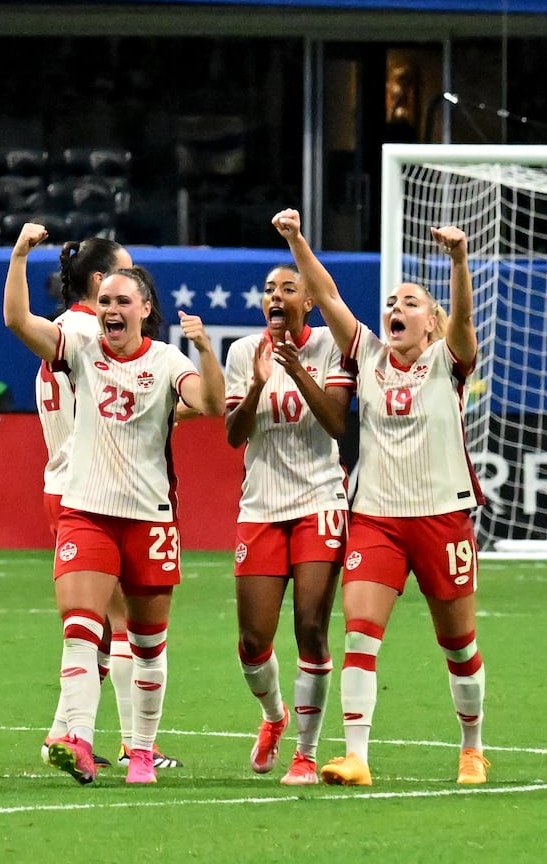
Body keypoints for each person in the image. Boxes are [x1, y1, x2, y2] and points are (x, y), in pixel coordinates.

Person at [272, 208, 489, 786]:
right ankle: (358, 756)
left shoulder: (449, 360)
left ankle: (472, 747)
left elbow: (465, 319)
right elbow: (327, 293)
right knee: (360, 633)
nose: (395, 308)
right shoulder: (367, 354)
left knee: (458, 641)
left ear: (432, 324)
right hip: (376, 520)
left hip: (443, 519)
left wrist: (459, 261)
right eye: (392, 301)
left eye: (411, 303)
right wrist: (297, 240)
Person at [5, 222, 225, 785]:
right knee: (81, 629)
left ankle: (140, 752)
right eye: (104, 299)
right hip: (86, 508)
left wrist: (203, 350)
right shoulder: (77, 344)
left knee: (146, 642)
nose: (111, 309)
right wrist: (18, 255)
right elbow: (15, 321)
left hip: (149, 516)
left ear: (144, 307)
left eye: (122, 301)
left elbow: (212, 405)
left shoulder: (169, 362)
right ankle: (75, 736)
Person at [224, 264, 354, 785]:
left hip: (320, 499)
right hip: (260, 507)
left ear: (310, 303)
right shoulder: (242, 353)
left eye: (287, 289)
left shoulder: (329, 347)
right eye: (268, 290)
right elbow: (234, 435)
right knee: (253, 643)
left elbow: (339, 423)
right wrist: (257, 385)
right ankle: (275, 717)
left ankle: (305, 751)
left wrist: (296, 369)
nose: (275, 297)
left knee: (310, 627)